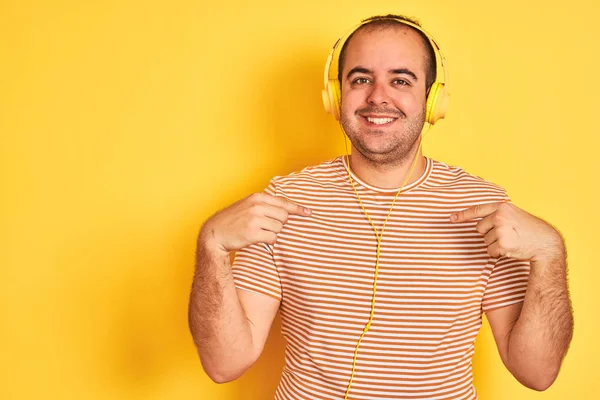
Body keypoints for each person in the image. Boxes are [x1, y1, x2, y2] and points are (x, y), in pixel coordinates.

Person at [188, 14, 573, 400]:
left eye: (401, 80)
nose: (378, 96)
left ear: (432, 98)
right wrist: (213, 246)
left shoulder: (482, 209)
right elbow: (225, 364)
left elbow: (536, 374)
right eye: (360, 79)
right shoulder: (285, 199)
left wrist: (550, 254)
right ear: (336, 97)